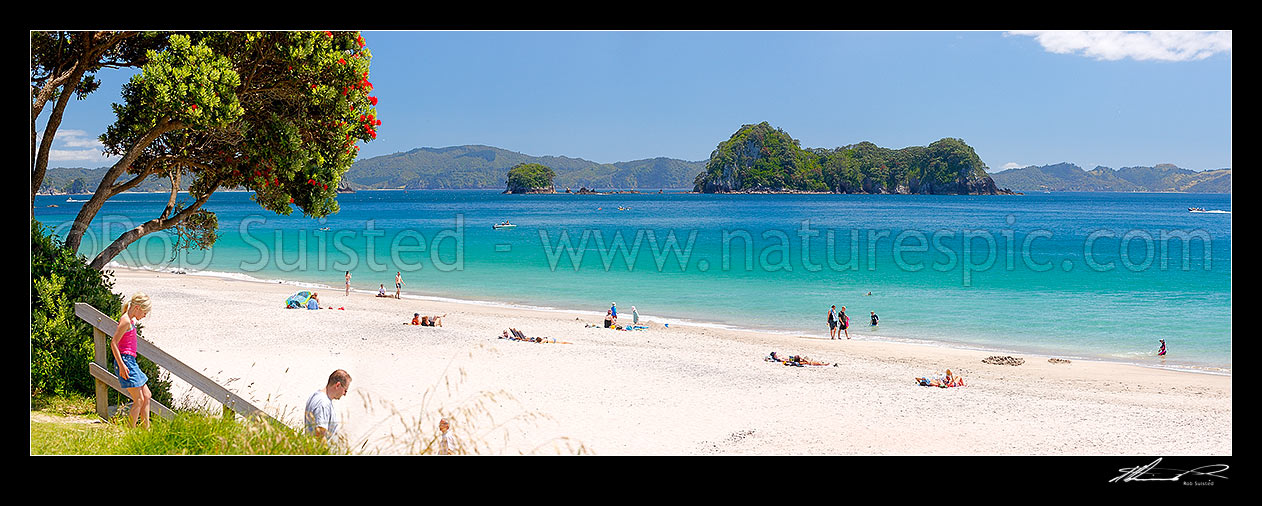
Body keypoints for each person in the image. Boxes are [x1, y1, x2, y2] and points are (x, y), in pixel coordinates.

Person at [111, 292, 153, 428]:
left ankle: (146, 429)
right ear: (137, 308)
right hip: (125, 361)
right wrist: (121, 365)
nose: (145, 315)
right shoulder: (126, 321)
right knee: (139, 399)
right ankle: (130, 430)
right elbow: (114, 343)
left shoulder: (130, 321)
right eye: (145, 312)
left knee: (147, 395)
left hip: (131, 361)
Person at [305, 369, 351, 440]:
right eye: (345, 390)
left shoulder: (316, 396)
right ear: (338, 385)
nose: (344, 394)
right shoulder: (323, 403)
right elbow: (320, 436)